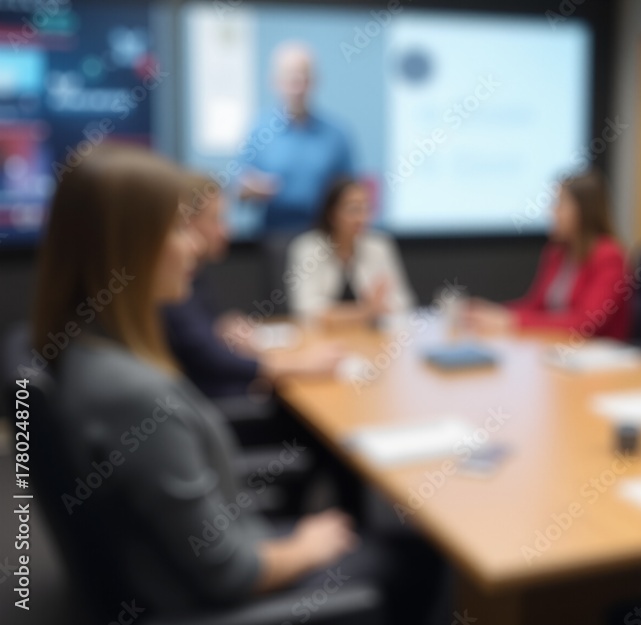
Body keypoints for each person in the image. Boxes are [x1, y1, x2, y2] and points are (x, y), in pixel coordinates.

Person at [33, 145, 442, 622]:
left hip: (194, 563)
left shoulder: (84, 355)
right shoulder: (135, 395)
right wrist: (306, 546)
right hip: (213, 599)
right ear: (127, 247)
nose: (194, 246)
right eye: (179, 228)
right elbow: (231, 574)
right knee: (420, 556)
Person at [164, 172, 343, 400]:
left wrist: (218, 328)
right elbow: (206, 357)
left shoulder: (195, 276)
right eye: (216, 219)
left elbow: (195, 342)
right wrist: (294, 364)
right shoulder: (173, 284)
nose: (227, 231)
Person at [464, 169, 632, 339]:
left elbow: (585, 324)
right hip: (555, 345)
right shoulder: (558, 253)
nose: (552, 212)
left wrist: (512, 321)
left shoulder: (609, 256)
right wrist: (496, 313)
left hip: (597, 351)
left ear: (583, 210)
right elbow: (536, 306)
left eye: (560, 204)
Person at [239, 41, 354, 232]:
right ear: (275, 81)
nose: (298, 87)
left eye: (304, 78)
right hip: (273, 235)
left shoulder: (336, 136)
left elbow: (350, 192)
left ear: (315, 81)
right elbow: (240, 187)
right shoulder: (259, 131)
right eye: (291, 78)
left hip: (322, 236)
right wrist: (253, 188)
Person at [286, 176, 415, 327]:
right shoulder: (306, 248)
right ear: (332, 214)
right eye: (354, 209)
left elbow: (403, 302)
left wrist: (378, 308)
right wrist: (365, 311)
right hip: (320, 336)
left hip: (370, 336)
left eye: (366, 208)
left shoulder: (379, 246)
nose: (362, 218)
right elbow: (305, 309)